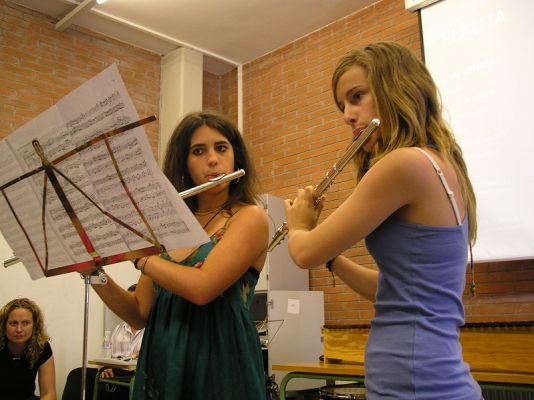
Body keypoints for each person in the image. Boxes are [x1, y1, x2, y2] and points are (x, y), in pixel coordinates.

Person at [283, 42, 481, 400]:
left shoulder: (402, 164)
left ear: (396, 89)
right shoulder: (439, 165)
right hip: (427, 378)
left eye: (357, 97)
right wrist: (333, 257)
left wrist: (299, 225)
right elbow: (395, 291)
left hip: (417, 383)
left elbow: (303, 253)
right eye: (342, 105)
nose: (347, 115)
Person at [89, 111, 269, 399]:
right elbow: (140, 313)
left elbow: (202, 288)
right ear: (183, 163)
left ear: (236, 156)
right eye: (198, 151)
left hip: (220, 366)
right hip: (164, 364)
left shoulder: (250, 217)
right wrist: (94, 273)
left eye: (221, 148)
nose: (213, 159)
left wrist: (141, 258)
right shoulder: (167, 227)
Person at [62, 285, 144, 400]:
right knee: (77, 374)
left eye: (134, 304)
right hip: (113, 371)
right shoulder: (119, 329)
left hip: (135, 375)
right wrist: (105, 368)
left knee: (104, 390)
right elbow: (107, 355)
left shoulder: (153, 330)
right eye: (129, 303)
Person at [0, 297, 57, 400]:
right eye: (13, 323)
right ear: (4, 325)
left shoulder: (41, 347)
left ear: (34, 325)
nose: (19, 329)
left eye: (25, 323)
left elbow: (49, 393)